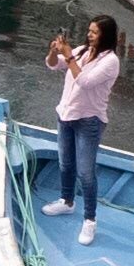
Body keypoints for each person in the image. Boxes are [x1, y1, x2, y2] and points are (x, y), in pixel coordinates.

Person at [48, 18, 123, 240]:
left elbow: (85, 81)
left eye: (95, 32)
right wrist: (54, 51)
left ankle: (90, 219)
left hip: (89, 120)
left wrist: (69, 55)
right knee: (65, 163)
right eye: (89, 31)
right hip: (66, 114)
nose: (89, 35)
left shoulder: (110, 62)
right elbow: (54, 64)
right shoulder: (81, 51)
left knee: (85, 172)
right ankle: (66, 201)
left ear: (105, 35)